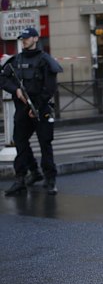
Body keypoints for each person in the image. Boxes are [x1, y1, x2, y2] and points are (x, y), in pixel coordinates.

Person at [0, 27, 63, 196]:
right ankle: (25, 176)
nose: (24, 40)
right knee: (19, 142)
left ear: (36, 38)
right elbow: (3, 78)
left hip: (41, 108)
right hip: (22, 107)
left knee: (45, 144)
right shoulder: (16, 60)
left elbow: (50, 87)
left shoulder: (44, 60)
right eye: (22, 38)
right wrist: (16, 90)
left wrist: (37, 106)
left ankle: (50, 180)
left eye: (27, 38)